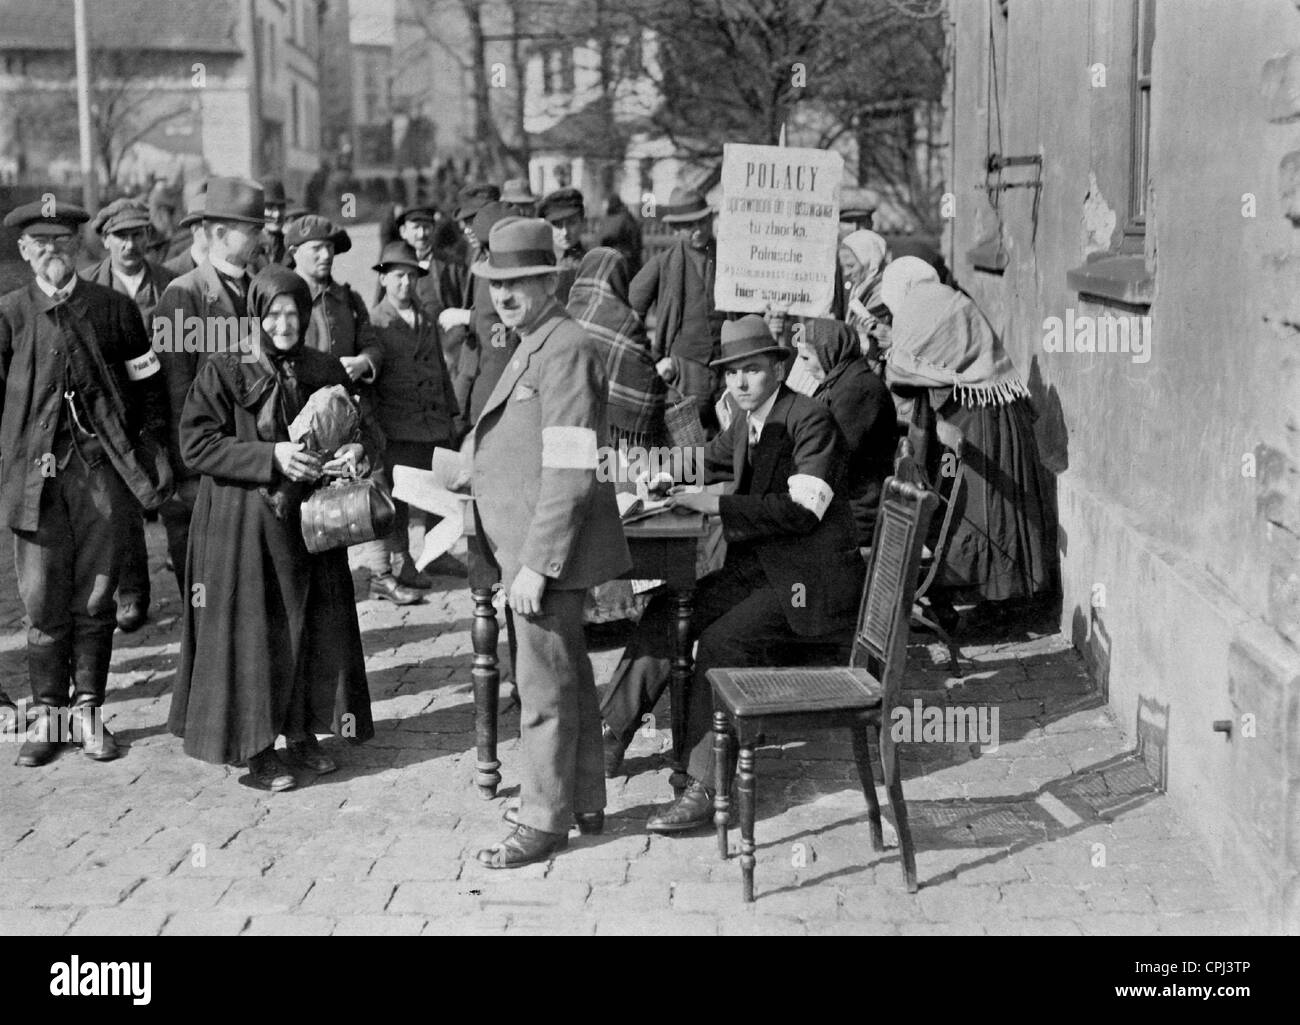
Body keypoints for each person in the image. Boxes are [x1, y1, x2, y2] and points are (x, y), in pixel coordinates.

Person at [600, 317, 865, 835]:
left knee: (722, 642)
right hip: (763, 572)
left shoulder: (811, 421)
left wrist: (716, 503)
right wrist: (667, 473)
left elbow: (803, 510)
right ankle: (608, 734)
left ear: (779, 367)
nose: (740, 383)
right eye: (732, 373)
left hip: (807, 586)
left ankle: (706, 784)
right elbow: (710, 457)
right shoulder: (749, 420)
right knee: (668, 607)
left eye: (752, 370)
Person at [168, 265, 375, 791]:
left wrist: (356, 449)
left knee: (310, 624)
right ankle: (257, 749)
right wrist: (271, 454)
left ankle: (303, 734)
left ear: (306, 315)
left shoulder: (323, 365)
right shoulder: (226, 365)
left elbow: (364, 426)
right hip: (244, 522)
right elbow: (195, 445)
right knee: (255, 632)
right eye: (274, 313)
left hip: (312, 522)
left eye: (294, 313)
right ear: (258, 315)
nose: (284, 324)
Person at [469, 218, 631, 868]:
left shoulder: (566, 346)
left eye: (518, 282)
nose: (504, 295)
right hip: (526, 545)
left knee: (543, 690)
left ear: (549, 279)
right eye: (497, 284)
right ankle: (583, 800)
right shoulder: (535, 337)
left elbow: (571, 463)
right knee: (572, 680)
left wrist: (539, 560)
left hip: (543, 552)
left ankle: (543, 817)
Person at [0, 199, 172, 767]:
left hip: (100, 478)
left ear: (78, 247)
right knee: (43, 602)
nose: (52, 252)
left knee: (97, 598)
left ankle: (90, 716)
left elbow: (149, 385)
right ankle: (48, 720)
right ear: (24, 252)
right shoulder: (10, 316)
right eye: (39, 244)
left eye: (62, 242)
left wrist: (147, 451)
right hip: (35, 485)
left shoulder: (115, 309)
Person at [881, 257, 1055, 609]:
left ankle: (991, 595)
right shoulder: (946, 297)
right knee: (981, 506)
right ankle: (996, 594)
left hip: (974, 417)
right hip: (979, 409)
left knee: (980, 506)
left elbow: (900, 369)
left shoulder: (925, 302)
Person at [152, 177, 266, 599]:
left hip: (250, 459)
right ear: (219, 233)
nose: (260, 237)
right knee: (209, 590)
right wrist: (187, 470)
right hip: (206, 466)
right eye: (252, 230)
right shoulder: (182, 295)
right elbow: (174, 389)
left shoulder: (257, 287)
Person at [82, 198, 179, 631]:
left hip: (165, 405)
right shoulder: (87, 288)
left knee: (177, 498)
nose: (130, 244)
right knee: (122, 507)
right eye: (120, 236)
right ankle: (132, 593)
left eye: (137, 235)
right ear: (105, 240)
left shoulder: (173, 286)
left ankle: (198, 589)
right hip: (113, 412)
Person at [369, 241, 466, 590]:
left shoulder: (425, 318)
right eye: (398, 277)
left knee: (440, 491)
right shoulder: (376, 322)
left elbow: (440, 368)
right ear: (383, 279)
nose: (405, 284)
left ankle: (437, 553)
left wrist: (452, 413)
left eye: (411, 276)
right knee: (399, 498)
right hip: (398, 426)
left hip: (433, 422)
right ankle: (401, 562)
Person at [792, 317, 897, 547]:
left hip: (856, 514)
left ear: (828, 351)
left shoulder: (857, 390)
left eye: (807, 358)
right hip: (845, 505)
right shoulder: (842, 381)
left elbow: (829, 455)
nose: (805, 367)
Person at [629, 187, 725, 432]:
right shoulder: (663, 264)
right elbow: (630, 311)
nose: (698, 230)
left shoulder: (729, 259)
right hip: (685, 367)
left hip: (727, 366)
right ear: (675, 229)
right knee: (685, 444)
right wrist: (650, 358)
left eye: (703, 222)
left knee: (729, 440)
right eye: (689, 225)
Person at [453, 202, 516, 436]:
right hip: (484, 382)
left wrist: (469, 318)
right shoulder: (480, 263)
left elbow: (497, 336)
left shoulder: (493, 270)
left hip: (495, 388)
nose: (466, 229)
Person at [838, 229, 891, 367]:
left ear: (870, 261)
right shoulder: (860, 287)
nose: (846, 273)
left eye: (850, 266)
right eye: (843, 267)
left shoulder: (884, 292)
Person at [538, 187, 587, 304]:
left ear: (583, 223)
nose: (565, 232)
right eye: (557, 225)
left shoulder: (590, 262)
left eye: (572, 223)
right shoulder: (539, 261)